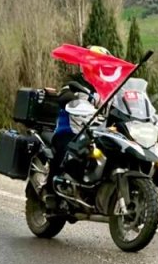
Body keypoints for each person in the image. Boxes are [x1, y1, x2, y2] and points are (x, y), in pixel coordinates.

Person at [42, 45, 111, 189]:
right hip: (71, 131)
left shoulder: (109, 88)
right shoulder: (75, 81)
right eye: (95, 61)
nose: (97, 66)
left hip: (98, 134)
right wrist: (69, 98)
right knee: (66, 153)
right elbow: (64, 95)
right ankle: (50, 190)